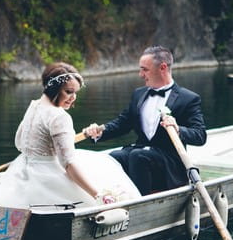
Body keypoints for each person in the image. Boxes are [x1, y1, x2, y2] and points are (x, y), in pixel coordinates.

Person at [0, 62, 141, 208]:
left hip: (24, 169)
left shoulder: (34, 105)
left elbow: (19, 142)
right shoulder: (59, 116)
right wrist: (98, 195)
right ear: (54, 89)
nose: (73, 97)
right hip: (47, 176)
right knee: (105, 168)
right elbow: (69, 165)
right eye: (69, 92)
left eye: (75, 92)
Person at [83, 46, 207, 195]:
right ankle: (118, 198)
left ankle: (141, 203)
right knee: (115, 156)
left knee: (138, 156)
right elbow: (122, 124)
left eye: (145, 69)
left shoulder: (188, 98)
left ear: (162, 67)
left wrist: (178, 129)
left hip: (169, 163)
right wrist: (99, 132)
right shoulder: (138, 94)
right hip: (142, 155)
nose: (140, 74)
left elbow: (200, 135)